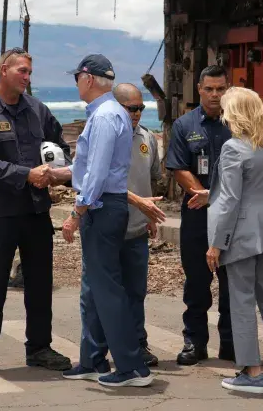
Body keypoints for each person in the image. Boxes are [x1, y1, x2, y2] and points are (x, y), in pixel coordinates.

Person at [0, 47, 72, 378]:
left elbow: (60, 146)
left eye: (29, 72)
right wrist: (26, 174)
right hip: (0, 214)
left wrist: (57, 168)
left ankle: (39, 347)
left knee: (39, 283)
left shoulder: (37, 110)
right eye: (22, 71)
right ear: (3, 70)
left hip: (36, 211)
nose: (27, 77)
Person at [56, 55, 153, 387]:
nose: (77, 85)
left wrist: (75, 213)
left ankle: (131, 367)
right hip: (109, 205)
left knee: (108, 290)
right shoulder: (112, 114)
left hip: (102, 207)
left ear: (88, 79)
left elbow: (95, 174)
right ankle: (95, 359)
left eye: (77, 79)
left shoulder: (104, 117)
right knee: (100, 289)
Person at [206, 87, 263, 394]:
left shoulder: (234, 147)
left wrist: (217, 243)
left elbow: (231, 199)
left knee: (242, 300)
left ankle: (252, 372)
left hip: (244, 233)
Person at [165, 65, 234, 365]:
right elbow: (179, 168)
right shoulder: (184, 125)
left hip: (233, 217)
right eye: (210, 89)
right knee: (196, 283)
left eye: (221, 89)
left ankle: (231, 344)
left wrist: (219, 200)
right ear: (200, 90)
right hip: (197, 215)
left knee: (232, 283)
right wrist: (207, 199)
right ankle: (194, 342)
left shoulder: (238, 122)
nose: (215, 95)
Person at [113, 83, 165, 367]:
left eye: (141, 108)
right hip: (108, 228)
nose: (137, 113)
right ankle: (101, 349)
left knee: (136, 290)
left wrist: (149, 216)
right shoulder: (107, 135)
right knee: (105, 292)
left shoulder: (147, 138)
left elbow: (152, 177)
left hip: (137, 229)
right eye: (131, 108)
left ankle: (138, 344)